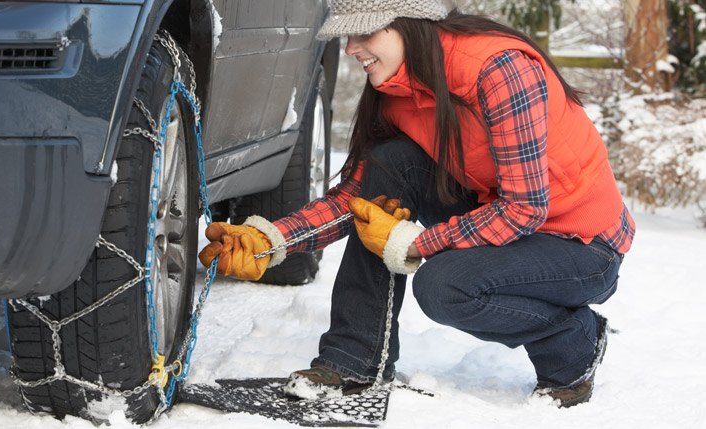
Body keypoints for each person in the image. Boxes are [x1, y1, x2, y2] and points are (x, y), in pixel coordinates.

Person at [198, 0, 634, 408]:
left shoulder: (498, 69)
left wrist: (416, 243)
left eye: (363, 32)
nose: (351, 49)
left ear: (409, 22)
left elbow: (525, 208)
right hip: (506, 226)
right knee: (390, 164)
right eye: (347, 37)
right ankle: (357, 359)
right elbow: (357, 199)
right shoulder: (396, 92)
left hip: (580, 246)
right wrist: (271, 239)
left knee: (445, 286)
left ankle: (572, 343)